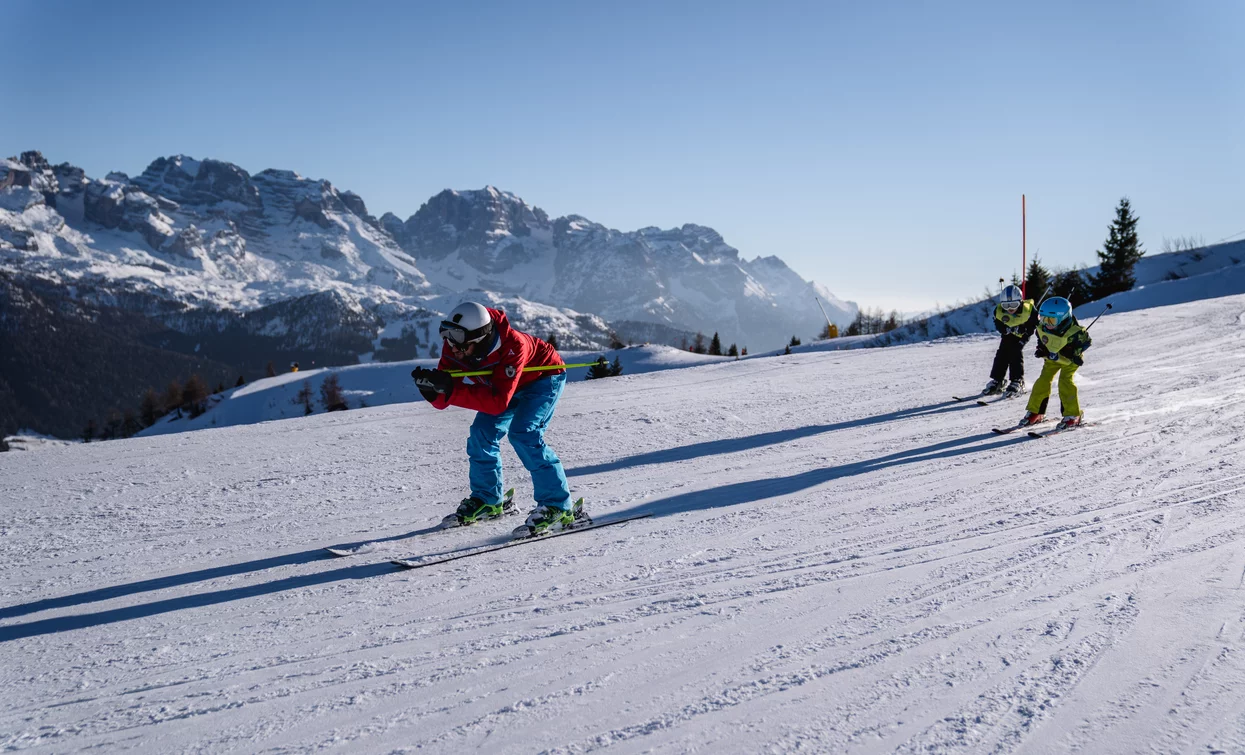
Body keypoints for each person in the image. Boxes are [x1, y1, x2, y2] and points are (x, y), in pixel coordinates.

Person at [410, 302, 584, 536]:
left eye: (458, 339)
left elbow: (497, 403)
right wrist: (433, 392)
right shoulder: (455, 347)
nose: (452, 346)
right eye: (448, 336)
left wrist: (449, 390)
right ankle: (488, 500)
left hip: (542, 379)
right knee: (482, 434)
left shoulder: (514, 345)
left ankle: (557, 506)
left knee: (524, 434)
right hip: (502, 387)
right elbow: (446, 396)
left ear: (481, 337)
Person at [1017, 297, 1091, 430]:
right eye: (1044, 319)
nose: (1047, 323)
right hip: (1052, 358)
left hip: (1069, 361)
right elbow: (1042, 339)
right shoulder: (1043, 328)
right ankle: (1036, 412)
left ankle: (1073, 415)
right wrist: (1041, 349)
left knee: (1065, 381)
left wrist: (1074, 353)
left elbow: (1086, 342)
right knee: (1042, 381)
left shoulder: (1075, 332)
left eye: (1051, 320)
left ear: (1064, 318)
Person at [983, 284, 1037, 396]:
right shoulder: (999, 311)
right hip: (1007, 336)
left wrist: (1023, 330)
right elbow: (998, 324)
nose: (1010, 309)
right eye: (1006, 306)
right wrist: (1004, 329)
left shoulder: (1028, 310)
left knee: (1015, 353)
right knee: (1001, 354)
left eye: (1013, 304)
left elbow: (1033, 325)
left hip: (1022, 336)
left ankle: (1017, 380)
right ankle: (998, 380)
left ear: (1020, 302)